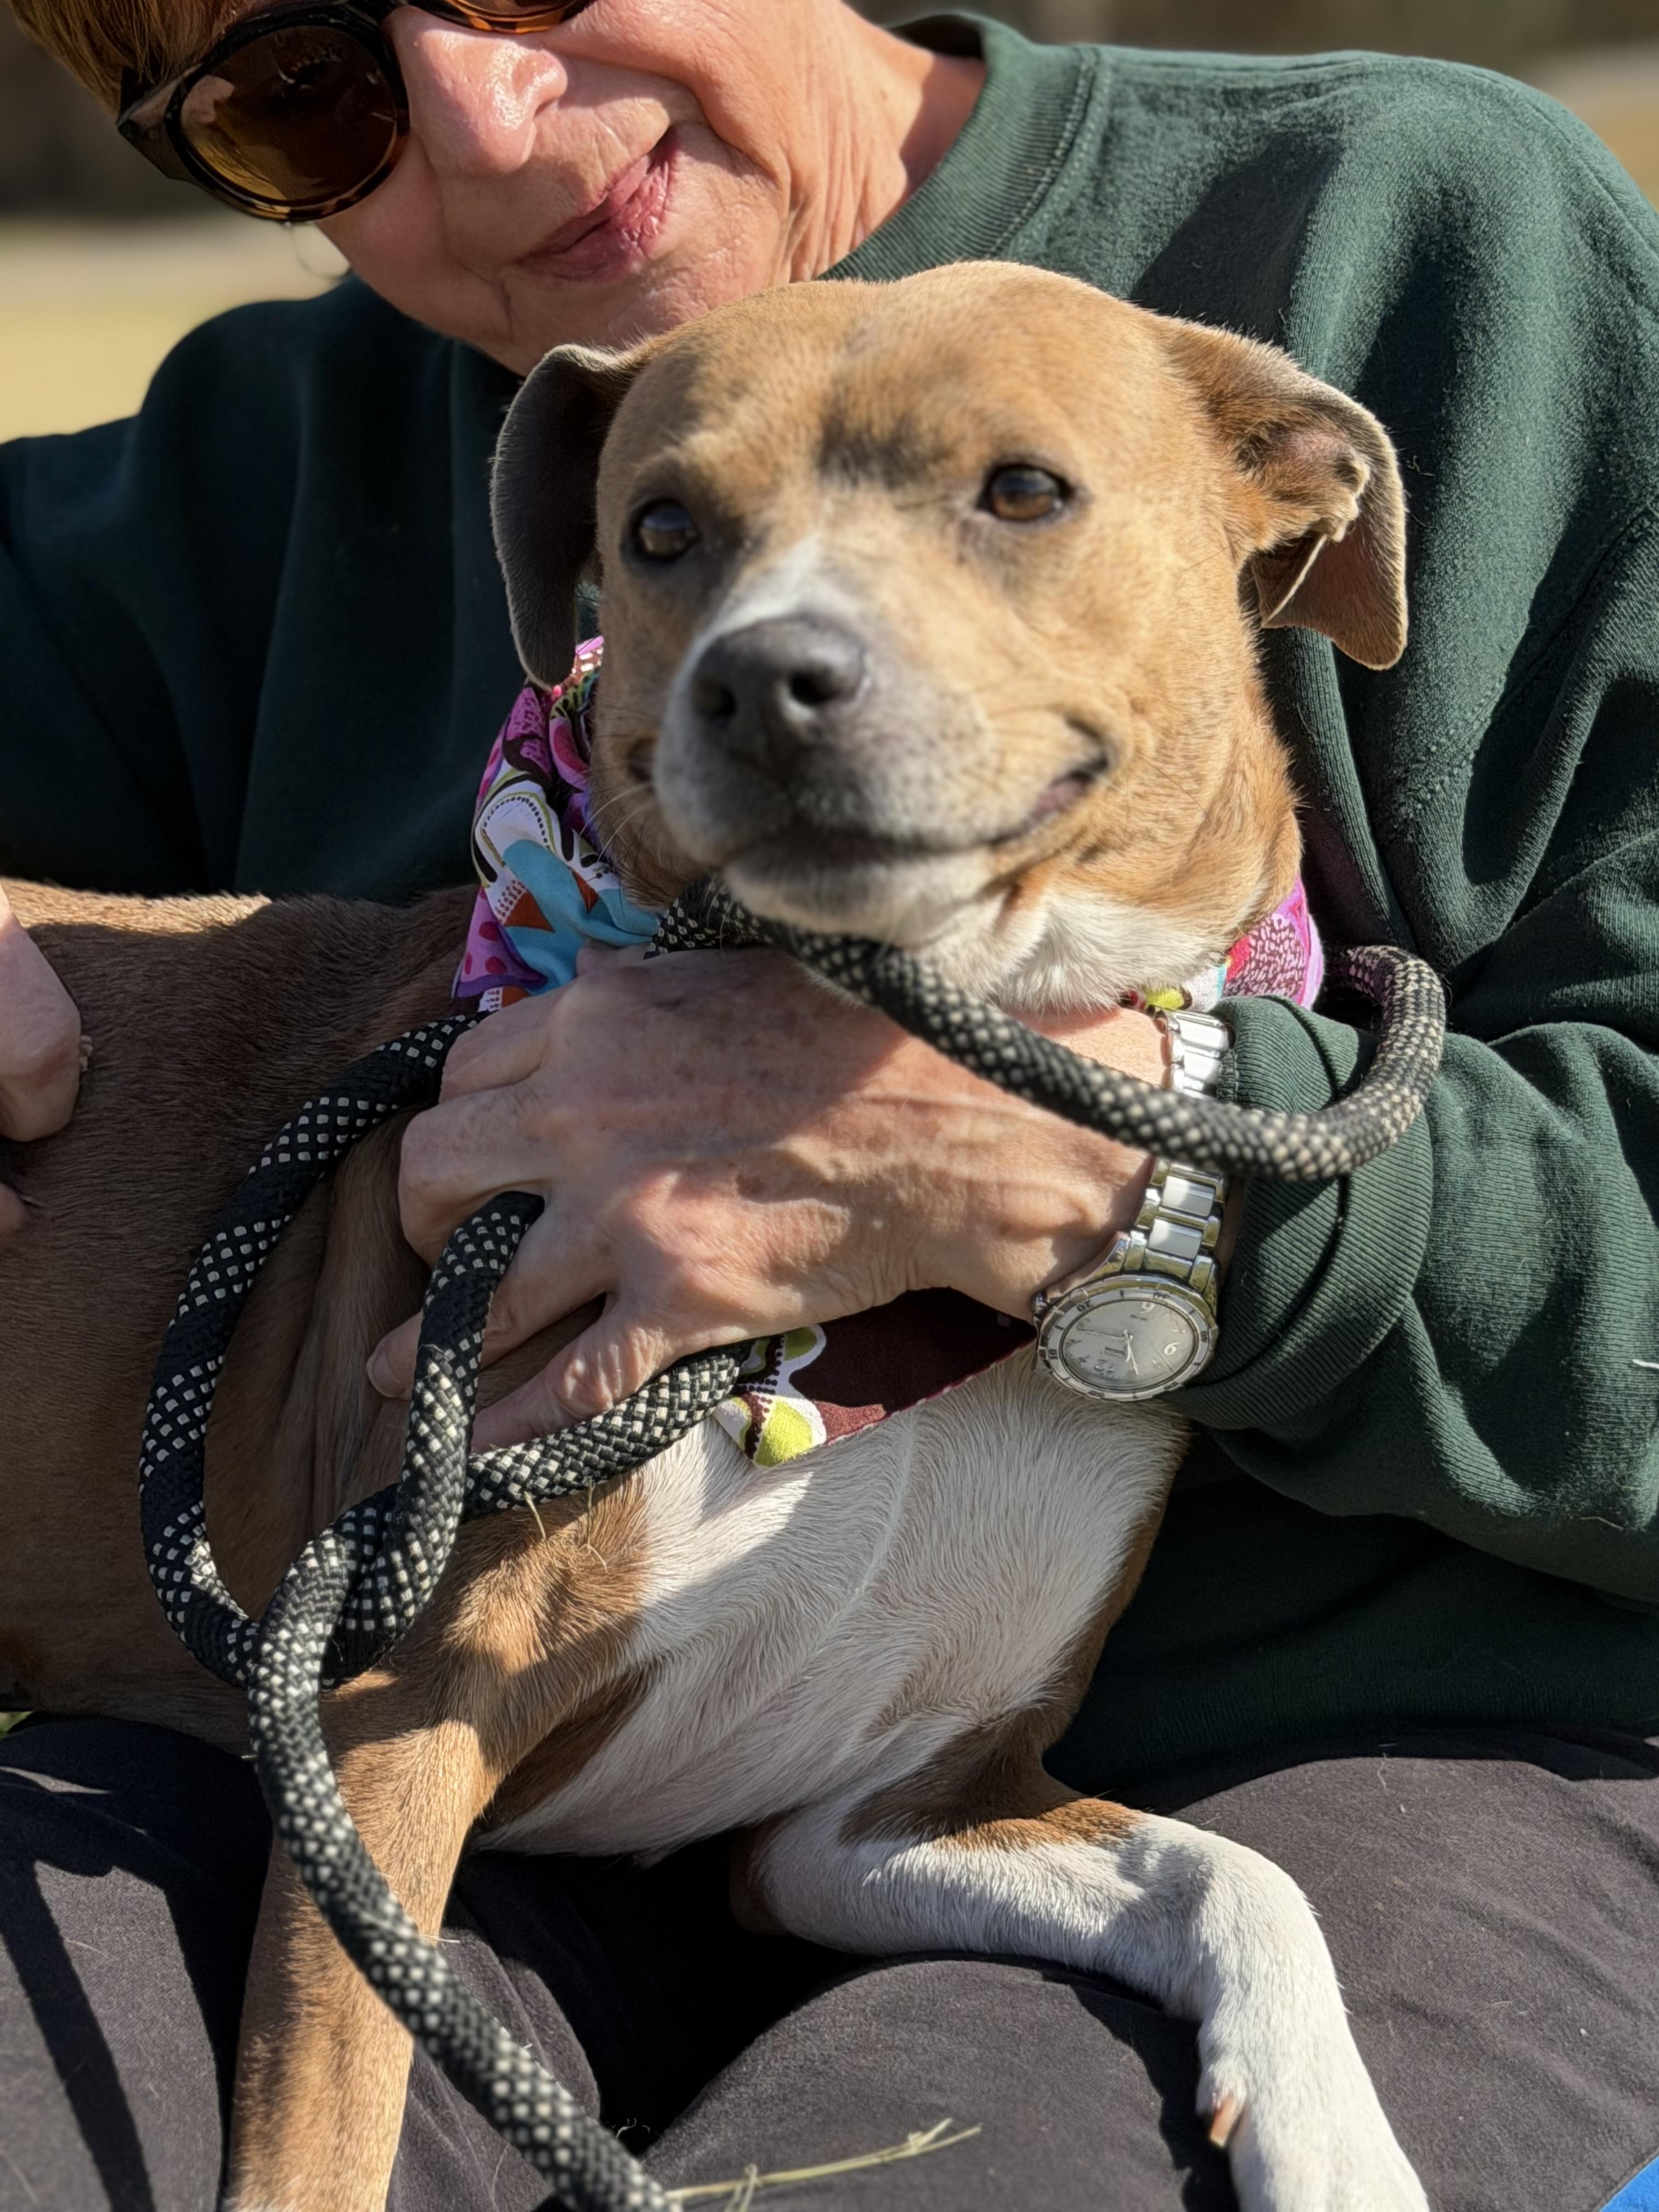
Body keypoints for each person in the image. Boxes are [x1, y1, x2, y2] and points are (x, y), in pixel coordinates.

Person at [2, 2, 1657, 2206]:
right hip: (446, 1767)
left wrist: (1113, 1170)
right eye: (305, 98)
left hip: (1395, 1764)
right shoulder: (250, 466)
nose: (489, 132)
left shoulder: (1418, 239)